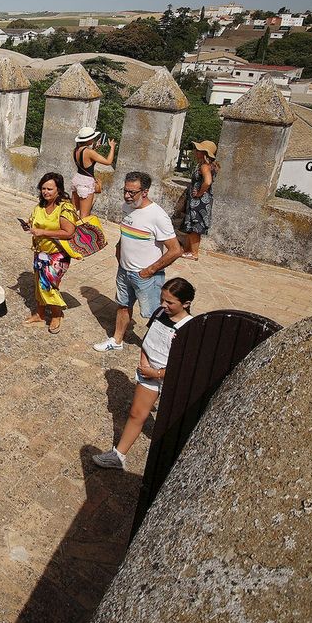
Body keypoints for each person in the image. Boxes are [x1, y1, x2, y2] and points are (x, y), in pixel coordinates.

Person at [93, 278, 195, 470]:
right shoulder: (159, 313)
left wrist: (157, 373)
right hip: (149, 372)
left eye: (170, 302)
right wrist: (145, 362)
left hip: (170, 378)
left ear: (186, 304)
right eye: (162, 299)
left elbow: (186, 365)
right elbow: (149, 338)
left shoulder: (191, 328)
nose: (163, 305)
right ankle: (119, 456)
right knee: (136, 413)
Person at [94, 171, 183, 352]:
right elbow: (126, 232)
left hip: (146, 276)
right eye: (125, 191)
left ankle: (161, 349)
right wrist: (119, 249)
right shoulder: (127, 207)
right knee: (123, 305)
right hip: (124, 270)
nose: (127, 196)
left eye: (132, 192)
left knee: (156, 312)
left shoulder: (158, 216)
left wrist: (149, 270)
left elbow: (175, 250)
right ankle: (117, 340)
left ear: (145, 192)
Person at [23, 172, 77, 335]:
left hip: (57, 254)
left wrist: (43, 232)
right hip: (40, 252)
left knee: (48, 285)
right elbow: (33, 222)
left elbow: (69, 232)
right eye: (43, 188)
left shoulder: (65, 208)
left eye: (49, 189)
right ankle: (39, 314)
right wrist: (29, 226)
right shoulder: (40, 206)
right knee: (38, 283)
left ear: (58, 190)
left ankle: (56, 314)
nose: (45, 192)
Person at [178, 141, 218, 261]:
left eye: (198, 150)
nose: (195, 152)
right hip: (201, 200)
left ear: (204, 153)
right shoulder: (210, 165)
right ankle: (189, 250)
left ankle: (194, 253)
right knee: (193, 225)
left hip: (199, 201)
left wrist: (199, 193)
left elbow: (207, 182)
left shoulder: (204, 166)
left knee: (196, 226)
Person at [69, 127, 116, 219]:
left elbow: (86, 159)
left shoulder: (76, 150)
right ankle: (81, 229)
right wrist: (112, 148)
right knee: (84, 215)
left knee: (74, 210)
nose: (94, 139)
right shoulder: (89, 152)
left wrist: (94, 148)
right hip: (86, 183)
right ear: (89, 139)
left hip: (77, 179)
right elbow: (108, 161)